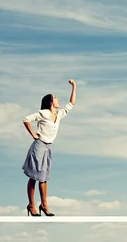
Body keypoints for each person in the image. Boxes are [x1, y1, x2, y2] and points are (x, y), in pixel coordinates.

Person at [21, 79, 77, 216]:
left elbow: (71, 104)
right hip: (39, 146)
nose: (58, 101)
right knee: (34, 177)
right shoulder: (44, 113)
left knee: (43, 178)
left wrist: (74, 86)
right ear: (50, 102)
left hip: (47, 148)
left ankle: (44, 205)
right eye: (56, 99)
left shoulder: (58, 115)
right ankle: (31, 205)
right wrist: (33, 134)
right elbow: (26, 119)